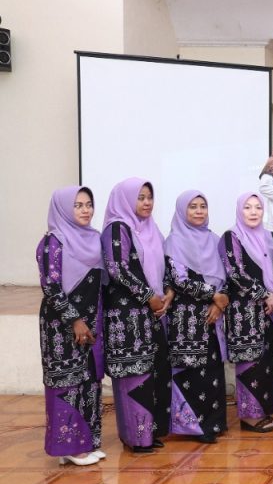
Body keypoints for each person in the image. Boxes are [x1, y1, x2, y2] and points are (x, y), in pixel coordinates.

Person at [101, 178, 173, 453]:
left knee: (152, 374)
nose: (147, 203)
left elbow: (163, 265)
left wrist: (167, 293)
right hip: (126, 317)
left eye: (149, 197)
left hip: (153, 314)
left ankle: (149, 432)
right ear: (126, 200)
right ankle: (135, 437)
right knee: (133, 376)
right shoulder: (117, 228)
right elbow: (117, 269)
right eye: (140, 198)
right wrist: (149, 296)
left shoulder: (151, 228)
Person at [38, 186, 105, 466]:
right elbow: (51, 287)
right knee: (66, 383)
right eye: (78, 205)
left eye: (88, 204)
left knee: (89, 381)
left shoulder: (94, 238)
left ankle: (86, 441)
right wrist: (75, 320)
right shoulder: (53, 242)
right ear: (64, 208)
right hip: (61, 325)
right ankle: (68, 446)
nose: (85, 210)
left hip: (91, 321)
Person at [163, 190, 229, 443]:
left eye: (203, 206)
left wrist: (219, 304)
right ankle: (193, 427)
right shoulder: (174, 241)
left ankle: (214, 423)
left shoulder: (215, 240)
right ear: (182, 211)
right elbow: (179, 280)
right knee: (191, 372)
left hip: (213, 317)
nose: (199, 211)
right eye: (193, 206)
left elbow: (228, 277)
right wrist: (214, 295)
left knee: (213, 370)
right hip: (187, 320)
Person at [220, 192, 273, 433]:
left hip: (267, 310)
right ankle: (249, 417)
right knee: (249, 363)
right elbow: (235, 272)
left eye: (258, 207)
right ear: (239, 210)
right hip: (243, 313)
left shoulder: (267, 236)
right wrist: (265, 294)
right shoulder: (232, 236)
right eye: (248, 207)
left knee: (266, 362)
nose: (254, 212)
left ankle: (263, 411)